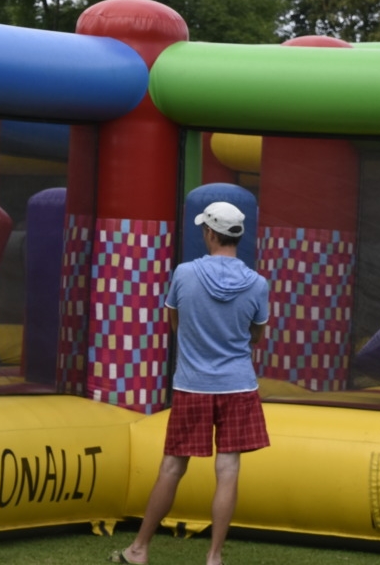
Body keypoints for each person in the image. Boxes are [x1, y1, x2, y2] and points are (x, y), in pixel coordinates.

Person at [111, 201, 270, 565]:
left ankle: (139, 549)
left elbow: (174, 323)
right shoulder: (258, 284)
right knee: (228, 470)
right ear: (238, 236)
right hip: (239, 387)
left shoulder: (183, 274)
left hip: (192, 385)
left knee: (172, 467)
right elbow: (256, 336)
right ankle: (214, 557)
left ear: (211, 233)